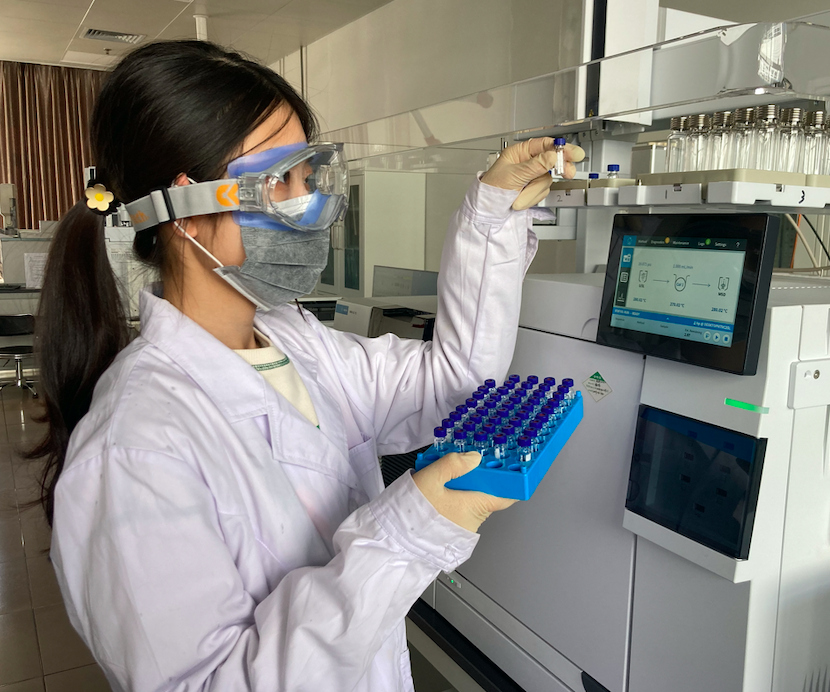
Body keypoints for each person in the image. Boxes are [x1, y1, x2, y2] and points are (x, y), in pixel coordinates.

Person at [29, 40, 583, 692]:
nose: (310, 205)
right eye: (280, 181)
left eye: (310, 175)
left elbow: (456, 381)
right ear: (188, 213)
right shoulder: (132, 449)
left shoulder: (298, 343)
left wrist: (491, 214)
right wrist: (409, 530)